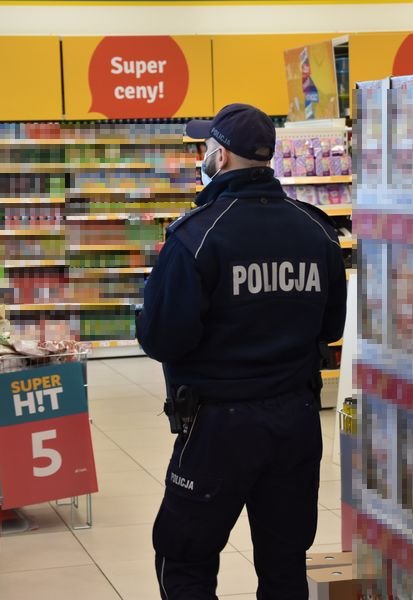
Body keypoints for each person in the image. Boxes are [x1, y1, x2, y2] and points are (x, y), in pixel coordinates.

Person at [135, 103, 348, 599]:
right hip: (295, 419)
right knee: (284, 562)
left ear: (223, 156)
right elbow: (331, 327)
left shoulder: (196, 235)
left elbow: (164, 338)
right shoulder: (316, 229)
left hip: (218, 426)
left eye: (207, 147)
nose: (204, 156)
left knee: (185, 557)